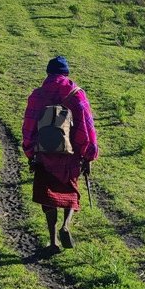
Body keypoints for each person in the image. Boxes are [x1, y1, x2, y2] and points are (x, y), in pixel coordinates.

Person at [22, 55, 98, 255]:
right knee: (70, 192)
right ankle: (66, 225)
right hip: (70, 155)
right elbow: (87, 127)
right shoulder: (76, 95)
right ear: (66, 73)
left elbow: (28, 127)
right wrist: (88, 155)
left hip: (44, 155)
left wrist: (30, 153)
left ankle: (53, 241)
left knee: (48, 197)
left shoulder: (37, 96)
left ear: (48, 73)